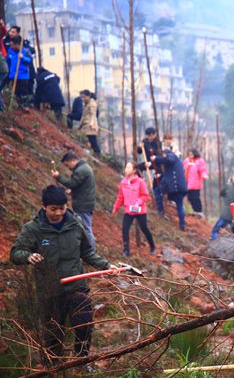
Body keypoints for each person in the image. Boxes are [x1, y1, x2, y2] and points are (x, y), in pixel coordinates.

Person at [10, 185, 113, 364]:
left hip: (76, 287)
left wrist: (106, 265)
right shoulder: (34, 228)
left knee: (84, 325)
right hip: (50, 291)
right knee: (53, 336)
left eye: (62, 208)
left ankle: (82, 362)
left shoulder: (75, 223)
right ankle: (53, 368)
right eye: (53, 209)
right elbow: (16, 253)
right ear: (43, 206)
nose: (58, 213)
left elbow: (87, 252)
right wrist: (28, 256)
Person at [51, 152, 97, 252]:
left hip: (83, 204)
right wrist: (72, 191)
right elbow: (81, 185)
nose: (68, 168)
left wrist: (58, 177)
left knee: (86, 229)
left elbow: (72, 183)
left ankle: (91, 251)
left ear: (73, 161)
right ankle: (89, 249)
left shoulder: (81, 170)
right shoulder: (84, 168)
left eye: (67, 165)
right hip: (85, 202)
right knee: (85, 227)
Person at [112, 162, 156, 256]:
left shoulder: (140, 182)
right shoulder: (123, 182)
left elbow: (145, 195)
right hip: (128, 210)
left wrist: (138, 203)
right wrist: (116, 207)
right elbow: (120, 197)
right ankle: (126, 250)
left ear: (134, 170)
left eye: (128, 168)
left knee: (144, 228)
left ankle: (152, 246)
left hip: (140, 211)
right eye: (126, 167)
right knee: (125, 229)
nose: (126, 170)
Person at [148, 135, 187, 230]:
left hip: (175, 186)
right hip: (180, 186)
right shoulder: (175, 159)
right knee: (179, 205)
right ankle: (182, 225)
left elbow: (168, 160)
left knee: (158, 192)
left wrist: (156, 158)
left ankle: (160, 212)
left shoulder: (171, 155)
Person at [210, 171, 234, 240]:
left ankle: (213, 242)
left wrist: (228, 182)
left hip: (226, 214)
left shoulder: (228, 185)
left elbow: (221, 193)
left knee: (215, 230)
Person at [137, 127, 164, 215]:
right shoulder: (145, 141)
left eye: (151, 135)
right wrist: (140, 147)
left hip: (157, 164)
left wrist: (151, 162)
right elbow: (139, 152)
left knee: (157, 185)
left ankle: (160, 208)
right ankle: (140, 183)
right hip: (147, 162)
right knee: (138, 167)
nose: (150, 137)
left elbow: (158, 155)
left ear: (154, 134)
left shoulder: (158, 143)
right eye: (148, 135)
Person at [6, 36, 33, 107]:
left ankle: (25, 105)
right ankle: (17, 105)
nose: (11, 47)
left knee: (23, 92)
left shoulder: (25, 51)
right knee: (15, 92)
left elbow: (29, 61)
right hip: (13, 75)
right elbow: (8, 62)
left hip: (23, 76)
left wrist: (23, 58)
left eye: (13, 45)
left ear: (17, 44)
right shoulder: (10, 51)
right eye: (11, 45)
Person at [183, 148, 208, 217]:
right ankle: (193, 210)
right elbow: (182, 168)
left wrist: (204, 175)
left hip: (195, 184)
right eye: (189, 154)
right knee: (190, 197)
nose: (190, 155)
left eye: (191, 154)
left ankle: (198, 211)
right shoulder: (186, 161)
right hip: (187, 183)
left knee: (195, 198)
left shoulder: (199, 161)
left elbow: (202, 170)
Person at [78, 89, 101, 156]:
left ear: (88, 96)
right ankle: (95, 153)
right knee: (90, 139)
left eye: (84, 97)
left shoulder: (92, 104)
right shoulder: (86, 104)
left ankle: (97, 153)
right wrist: (80, 125)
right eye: (82, 97)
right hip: (86, 124)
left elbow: (93, 114)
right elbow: (83, 115)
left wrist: (92, 124)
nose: (83, 99)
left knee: (92, 140)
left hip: (91, 125)